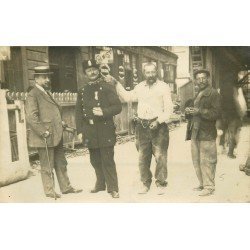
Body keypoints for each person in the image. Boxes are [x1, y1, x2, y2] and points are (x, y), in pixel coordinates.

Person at [111, 62, 173, 195]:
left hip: (159, 126)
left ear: (156, 72)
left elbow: (169, 109)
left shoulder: (163, 87)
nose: (150, 75)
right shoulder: (139, 87)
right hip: (142, 127)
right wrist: (116, 83)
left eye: (152, 72)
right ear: (143, 73)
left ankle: (161, 183)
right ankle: (145, 183)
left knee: (160, 157)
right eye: (147, 72)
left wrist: (159, 120)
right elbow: (128, 97)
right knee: (142, 158)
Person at [25, 66, 82, 199]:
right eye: (44, 77)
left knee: (61, 162)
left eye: (48, 77)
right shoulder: (33, 94)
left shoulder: (46, 92)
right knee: (47, 165)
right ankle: (50, 191)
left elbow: (50, 112)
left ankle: (66, 187)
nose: (47, 79)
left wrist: (61, 123)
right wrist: (42, 131)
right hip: (45, 136)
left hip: (55, 134)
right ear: (36, 79)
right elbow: (31, 117)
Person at [75, 60, 122, 198]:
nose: (92, 72)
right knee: (94, 159)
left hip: (105, 128)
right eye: (89, 70)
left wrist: (104, 111)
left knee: (107, 159)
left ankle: (113, 188)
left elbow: (118, 107)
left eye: (94, 69)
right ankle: (100, 184)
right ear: (85, 73)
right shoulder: (82, 91)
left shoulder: (107, 87)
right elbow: (78, 112)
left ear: (99, 70)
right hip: (89, 130)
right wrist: (79, 131)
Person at [185, 69, 221, 196]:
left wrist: (198, 111)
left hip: (207, 133)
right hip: (195, 132)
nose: (201, 81)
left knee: (207, 160)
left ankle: (209, 187)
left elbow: (216, 113)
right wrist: (189, 111)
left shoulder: (213, 93)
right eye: (198, 78)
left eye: (203, 78)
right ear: (195, 80)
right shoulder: (199, 93)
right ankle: (202, 184)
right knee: (197, 160)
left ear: (208, 79)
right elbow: (196, 111)